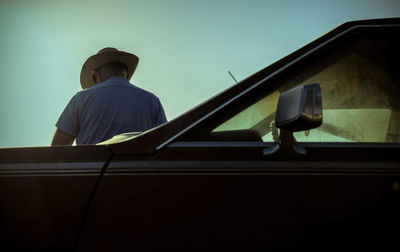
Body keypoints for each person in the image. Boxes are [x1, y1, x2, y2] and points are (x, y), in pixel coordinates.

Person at [51, 47, 167, 145]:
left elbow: (58, 148)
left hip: (94, 170)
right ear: (127, 75)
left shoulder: (81, 99)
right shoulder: (152, 101)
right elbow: (165, 143)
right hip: (139, 170)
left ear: (95, 76)